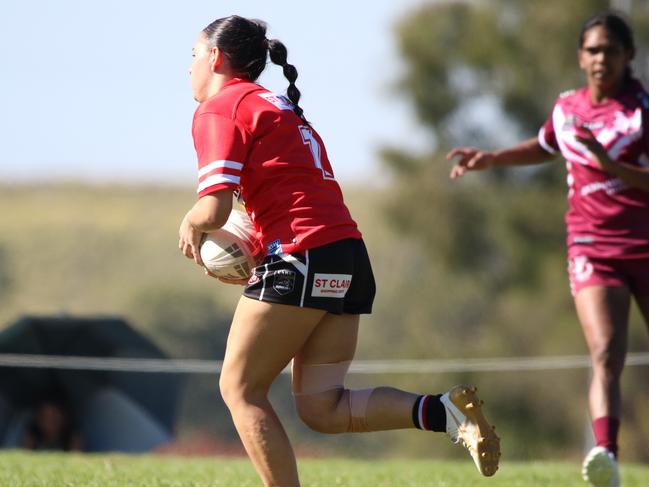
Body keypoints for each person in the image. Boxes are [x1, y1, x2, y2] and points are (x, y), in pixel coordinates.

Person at [178, 15, 500, 486]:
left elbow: (214, 205)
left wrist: (192, 223)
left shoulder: (221, 106)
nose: (188, 68)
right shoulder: (277, 105)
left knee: (240, 390)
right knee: (322, 406)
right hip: (345, 256)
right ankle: (444, 412)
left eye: (192, 55)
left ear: (214, 57)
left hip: (299, 255)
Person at [447, 11, 649, 487]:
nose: (601, 58)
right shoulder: (567, 108)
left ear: (628, 56)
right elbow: (546, 145)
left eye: (611, 50)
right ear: (581, 56)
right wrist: (493, 159)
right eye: (593, 50)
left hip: (644, 244)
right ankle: (607, 455)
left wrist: (608, 164)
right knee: (604, 353)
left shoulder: (640, 111)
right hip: (591, 247)